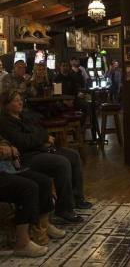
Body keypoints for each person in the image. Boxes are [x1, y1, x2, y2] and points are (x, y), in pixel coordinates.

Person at [0, 90, 92, 223]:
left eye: (20, 99)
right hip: (26, 156)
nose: (20, 102)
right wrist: (43, 138)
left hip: (40, 149)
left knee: (73, 155)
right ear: (7, 104)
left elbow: (40, 129)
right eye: (16, 100)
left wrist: (41, 137)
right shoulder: (5, 122)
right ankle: (64, 209)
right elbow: (22, 142)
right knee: (61, 163)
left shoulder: (24, 116)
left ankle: (77, 198)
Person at [0, 136, 65, 257]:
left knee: (44, 181)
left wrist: (9, 148)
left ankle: (41, 226)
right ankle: (22, 243)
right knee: (27, 187)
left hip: (6, 168)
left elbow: (4, 140)